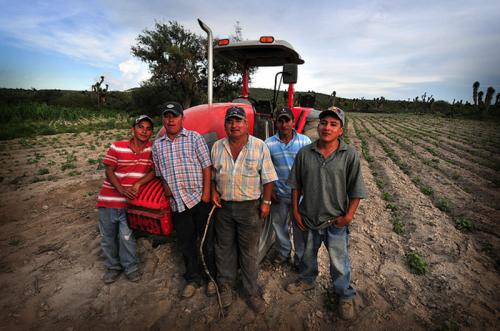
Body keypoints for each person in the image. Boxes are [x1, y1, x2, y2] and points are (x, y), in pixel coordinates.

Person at [286, 107, 367, 321]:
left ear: (341, 130)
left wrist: (348, 217)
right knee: (306, 255)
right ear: (318, 126)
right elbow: (296, 185)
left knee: (340, 262)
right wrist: (295, 210)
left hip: (335, 221)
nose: (326, 128)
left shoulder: (348, 155)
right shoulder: (305, 153)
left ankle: (344, 294)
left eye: (333, 124)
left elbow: (356, 189)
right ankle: (307, 279)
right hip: (308, 218)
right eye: (323, 123)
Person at [211, 106, 278, 313]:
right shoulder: (216, 147)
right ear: (225, 125)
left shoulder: (259, 146)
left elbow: (268, 179)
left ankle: (251, 292)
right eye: (230, 121)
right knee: (224, 249)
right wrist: (213, 191)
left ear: (247, 124)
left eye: (238, 121)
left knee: (249, 252)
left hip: (250, 208)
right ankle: (226, 286)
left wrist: (265, 204)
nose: (234, 125)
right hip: (223, 207)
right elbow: (213, 176)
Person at [152, 102, 215, 299]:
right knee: (186, 242)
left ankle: (212, 278)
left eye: (175, 116)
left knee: (207, 242)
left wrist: (206, 193)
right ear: (163, 119)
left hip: (198, 198)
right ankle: (192, 278)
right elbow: (160, 172)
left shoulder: (194, 138)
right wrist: (165, 185)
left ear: (182, 118)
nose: (171, 120)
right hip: (178, 203)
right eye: (167, 116)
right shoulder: (158, 146)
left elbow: (207, 166)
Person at [96, 115, 156, 284]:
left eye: (148, 128)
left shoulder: (153, 149)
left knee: (126, 236)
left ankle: (131, 268)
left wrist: (138, 184)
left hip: (130, 204)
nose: (144, 131)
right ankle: (112, 267)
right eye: (140, 127)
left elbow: (154, 171)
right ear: (133, 129)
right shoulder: (118, 146)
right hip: (108, 200)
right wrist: (122, 189)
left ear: (151, 132)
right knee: (108, 237)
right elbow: (109, 171)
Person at [264, 107, 311, 267]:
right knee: (279, 226)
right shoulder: (268, 144)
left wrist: (306, 188)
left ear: (293, 122)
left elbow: (309, 167)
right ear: (275, 123)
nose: (284, 124)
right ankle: (284, 253)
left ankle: (299, 258)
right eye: (280, 121)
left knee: (299, 227)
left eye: (287, 121)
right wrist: (269, 192)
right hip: (279, 193)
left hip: (301, 195)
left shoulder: (304, 141)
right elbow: (265, 169)